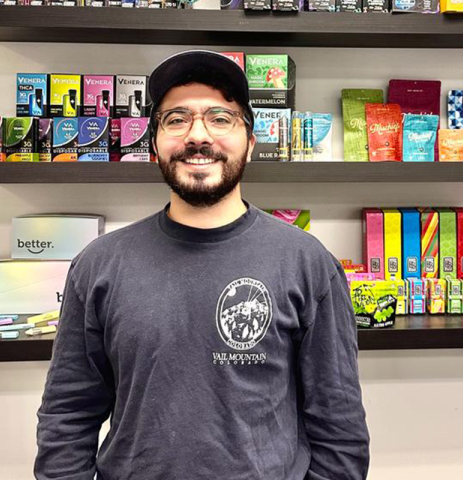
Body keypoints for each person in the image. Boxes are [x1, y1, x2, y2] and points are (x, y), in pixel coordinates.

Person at [35, 50, 370, 480]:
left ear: (250, 141)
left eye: (220, 118)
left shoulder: (307, 263)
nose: (198, 136)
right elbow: (67, 415)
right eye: (176, 119)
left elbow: (338, 425)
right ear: (153, 141)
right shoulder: (98, 265)